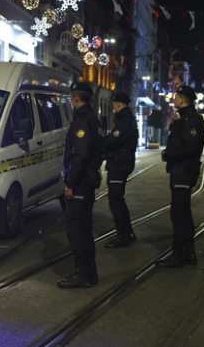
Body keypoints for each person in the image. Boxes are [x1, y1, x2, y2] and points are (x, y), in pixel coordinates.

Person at [155, 85, 204, 268]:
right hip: (179, 170)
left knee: (179, 213)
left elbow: (189, 148)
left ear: (183, 99)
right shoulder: (184, 119)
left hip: (184, 170)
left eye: (176, 97)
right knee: (182, 212)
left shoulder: (192, 120)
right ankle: (188, 252)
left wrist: (168, 154)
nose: (173, 99)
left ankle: (179, 253)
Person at [58, 82, 103, 288]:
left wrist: (70, 183)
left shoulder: (82, 122)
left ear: (75, 99)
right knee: (84, 228)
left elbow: (81, 155)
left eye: (71, 98)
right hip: (87, 180)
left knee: (77, 230)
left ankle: (83, 274)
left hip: (81, 182)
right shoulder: (90, 119)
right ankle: (89, 273)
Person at [103, 92, 139, 248]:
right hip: (121, 162)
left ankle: (123, 234)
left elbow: (112, 141)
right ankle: (126, 232)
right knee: (117, 199)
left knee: (116, 200)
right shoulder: (126, 120)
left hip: (119, 164)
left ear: (117, 105)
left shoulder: (124, 122)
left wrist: (103, 142)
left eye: (114, 106)